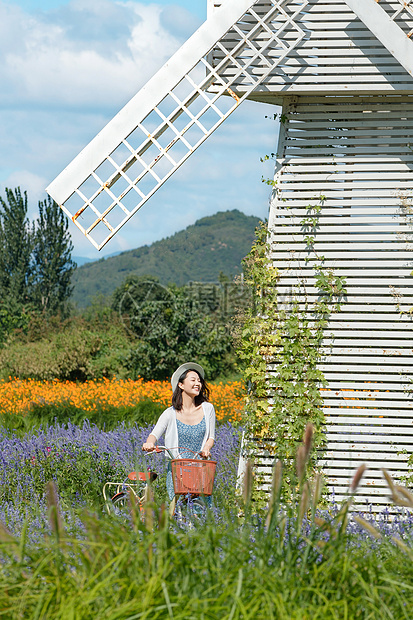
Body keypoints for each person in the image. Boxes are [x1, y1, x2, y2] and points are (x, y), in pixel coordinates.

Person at [142, 362, 216, 503]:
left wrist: (206, 449)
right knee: (178, 511)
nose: (197, 383)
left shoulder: (208, 409)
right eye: (193, 380)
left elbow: (211, 437)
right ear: (181, 385)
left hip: (200, 469)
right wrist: (149, 443)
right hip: (177, 471)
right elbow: (154, 434)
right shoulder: (170, 413)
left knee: (201, 510)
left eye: (199, 381)